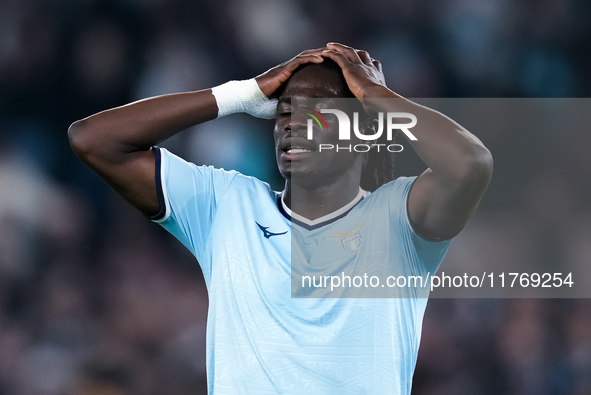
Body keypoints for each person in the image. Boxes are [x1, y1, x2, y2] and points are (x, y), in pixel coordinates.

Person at [69, 43, 493, 394]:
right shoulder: (227, 205)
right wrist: (240, 94)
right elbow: (94, 140)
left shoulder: (399, 219)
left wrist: (377, 96)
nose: (292, 122)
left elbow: (471, 163)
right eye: (285, 110)